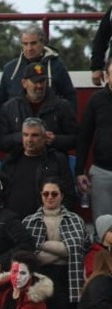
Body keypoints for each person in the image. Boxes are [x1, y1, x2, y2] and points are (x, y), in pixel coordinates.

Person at [22, 178, 87, 309]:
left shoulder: (75, 219)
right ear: (41, 196)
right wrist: (64, 251)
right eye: (46, 194)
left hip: (66, 277)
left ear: (61, 196)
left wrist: (41, 244)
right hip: (39, 276)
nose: (49, 197)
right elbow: (29, 255)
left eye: (54, 194)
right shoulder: (29, 221)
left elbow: (76, 249)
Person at [0, 117, 76, 219]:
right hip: (12, 221)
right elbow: (0, 194)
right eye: (25, 135)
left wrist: (54, 218)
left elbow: (69, 195)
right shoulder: (10, 160)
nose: (29, 140)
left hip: (45, 221)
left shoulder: (57, 160)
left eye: (34, 135)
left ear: (45, 137)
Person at [0, 64, 78, 158]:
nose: (39, 86)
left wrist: (55, 139)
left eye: (42, 81)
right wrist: (24, 137)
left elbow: (75, 138)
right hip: (18, 161)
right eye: (35, 82)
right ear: (24, 83)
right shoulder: (9, 108)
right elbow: (1, 142)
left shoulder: (62, 106)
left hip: (53, 161)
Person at [0, 24, 76, 113]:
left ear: (42, 43)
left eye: (33, 43)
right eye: (25, 44)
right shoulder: (10, 69)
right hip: (16, 120)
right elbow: (0, 101)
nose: (29, 48)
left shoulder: (57, 66)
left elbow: (70, 97)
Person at [76, 56, 112, 221]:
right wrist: (79, 171)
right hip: (101, 173)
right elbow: (84, 136)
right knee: (103, 225)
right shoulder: (96, 100)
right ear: (106, 76)